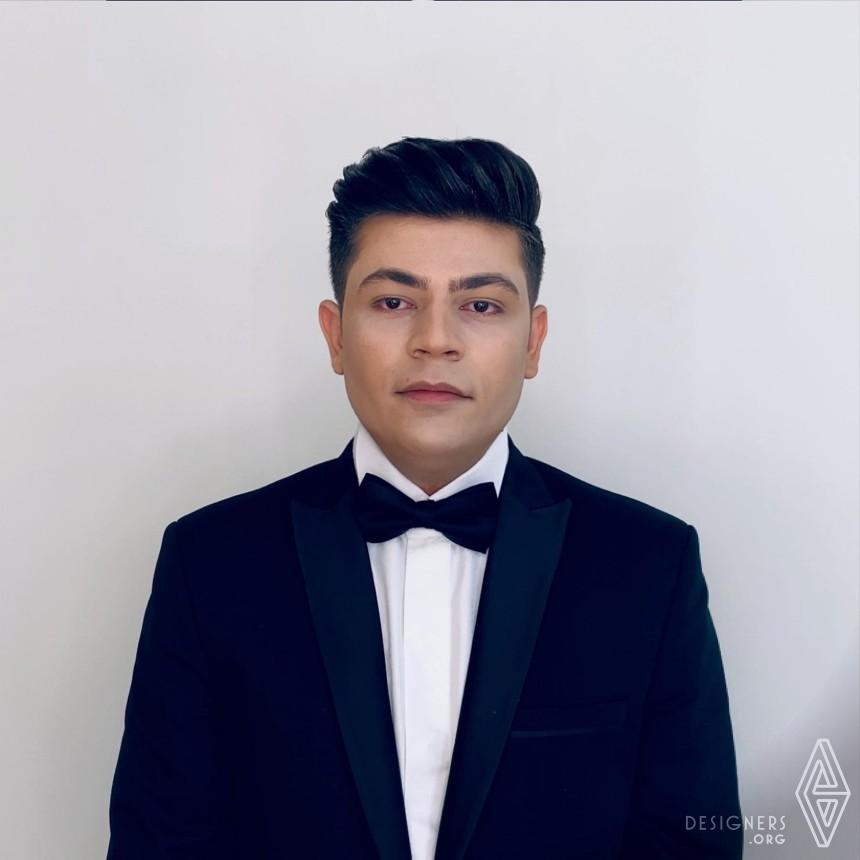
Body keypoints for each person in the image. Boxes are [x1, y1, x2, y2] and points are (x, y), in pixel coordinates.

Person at [107, 137, 742, 859]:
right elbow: (159, 844)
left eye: (481, 304)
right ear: (334, 334)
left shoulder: (647, 565)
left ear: (533, 342)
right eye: (393, 301)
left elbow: (694, 843)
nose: (435, 340)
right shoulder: (212, 562)